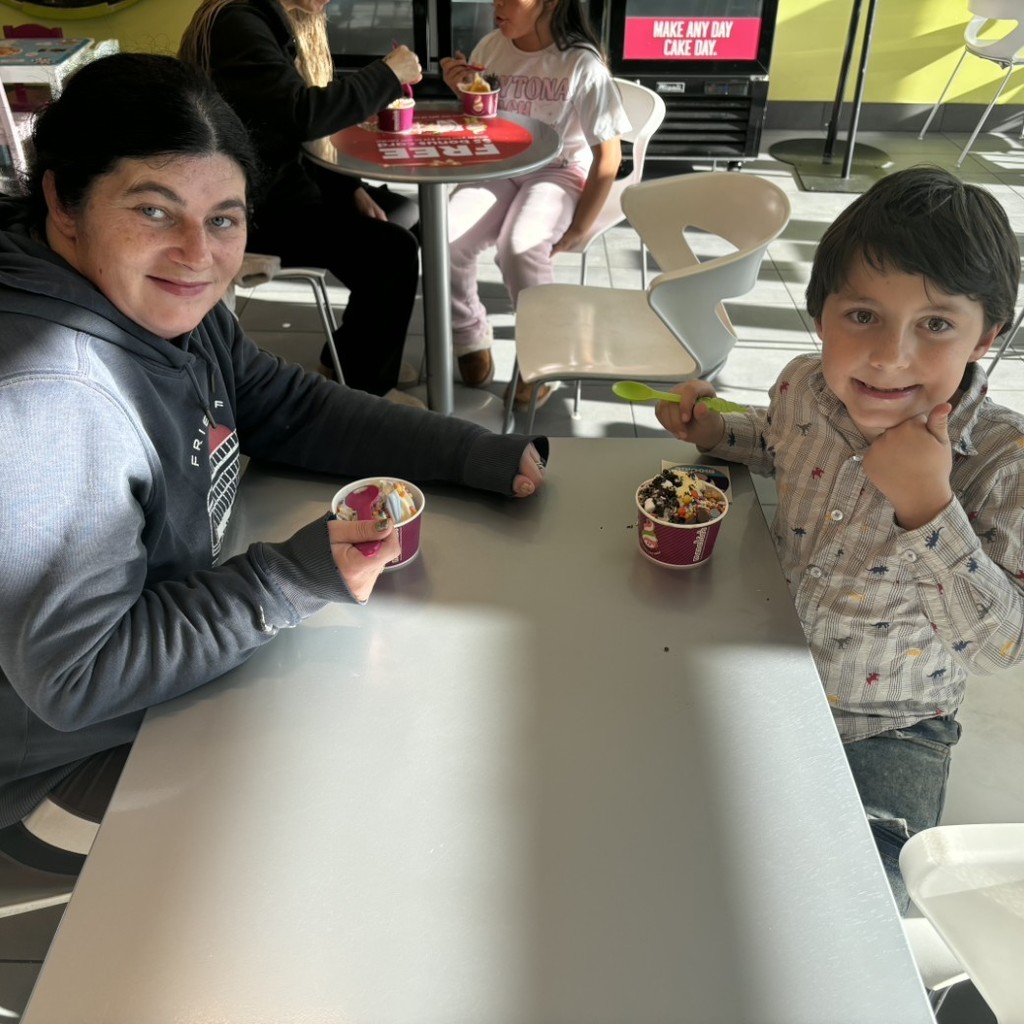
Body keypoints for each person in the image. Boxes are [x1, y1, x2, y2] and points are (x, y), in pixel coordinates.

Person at [0, 52, 548, 876]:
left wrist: (470, 450)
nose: (197, 253)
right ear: (63, 203)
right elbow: (79, 675)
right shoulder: (51, 398)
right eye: (154, 211)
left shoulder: (162, 307)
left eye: (224, 218)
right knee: (373, 815)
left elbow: (286, 405)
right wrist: (293, 578)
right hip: (59, 773)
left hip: (166, 688)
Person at [655, 166, 1024, 913]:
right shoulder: (802, 388)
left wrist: (929, 506)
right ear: (818, 315)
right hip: (765, 670)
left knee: (856, 904)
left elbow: (1001, 647)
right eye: (862, 316)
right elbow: (775, 442)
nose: (890, 355)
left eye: (935, 325)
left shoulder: (1001, 462)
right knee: (675, 839)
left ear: (988, 335)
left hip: (892, 730)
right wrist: (715, 432)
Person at [179, 0, 423, 404]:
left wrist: (349, 190)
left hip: (281, 188)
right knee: (393, 251)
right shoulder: (237, 22)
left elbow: (295, 136)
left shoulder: (267, 18)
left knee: (404, 216)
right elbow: (302, 115)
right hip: (250, 210)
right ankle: (368, 393)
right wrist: (388, 75)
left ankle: (351, 356)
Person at [439, 0, 630, 411]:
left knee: (519, 246)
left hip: (557, 172)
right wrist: (462, 91)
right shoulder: (490, 48)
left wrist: (580, 227)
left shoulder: (582, 65)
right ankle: (468, 334)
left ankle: (544, 359)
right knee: (445, 237)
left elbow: (608, 159)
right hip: (500, 166)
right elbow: (478, 123)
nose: (498, 7)